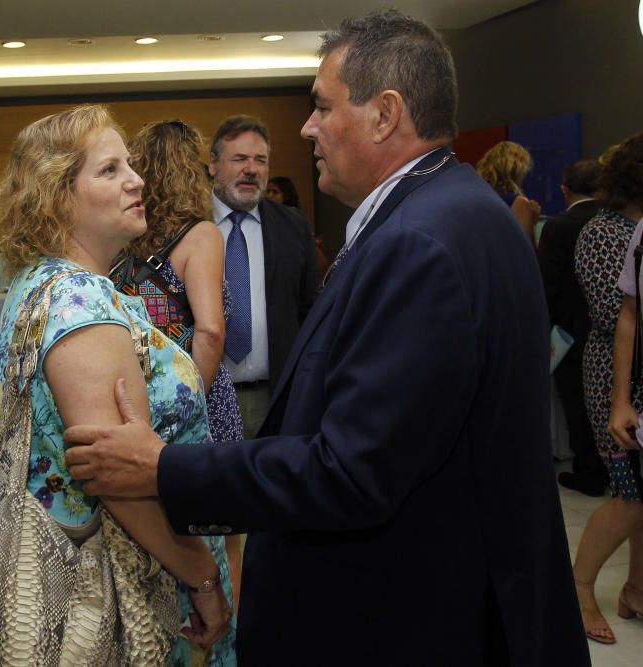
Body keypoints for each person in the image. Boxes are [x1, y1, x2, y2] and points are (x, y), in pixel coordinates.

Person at [65, 10, 587, 665]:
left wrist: (163, 466)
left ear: (384, 113)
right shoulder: (451, 213)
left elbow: (351, 470)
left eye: (321, 106)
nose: (307, 127)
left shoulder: (421, 242)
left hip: (408, 621)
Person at [0, 105, 235, 664]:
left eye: (131, 164)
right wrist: (202, 578)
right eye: (109, 170)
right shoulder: (82, 305)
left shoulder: (41, 282)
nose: (137, 179)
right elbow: (119, 479)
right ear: (57, 195)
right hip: (119, 584)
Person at [122, 118, 245, 609]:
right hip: (200, 401)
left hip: (141, 401)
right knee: (223, 537)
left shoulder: (126, 241)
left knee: (159, 540)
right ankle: (224, 642)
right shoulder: (201, 236)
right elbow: (211, 331)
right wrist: (193, 407)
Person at [572, 133, 643, 644]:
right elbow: (614, 313)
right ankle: (578, 588)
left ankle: (636, 590)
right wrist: (622, 397)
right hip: (617, 375)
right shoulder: (603, 232)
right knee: (630, 494)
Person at [208, 115, 318, 438]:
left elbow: (309, 313)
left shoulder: (294, 227)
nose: (251, 169)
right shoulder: (187, 226)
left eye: (260, 160)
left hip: (278, 400)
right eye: (239, 159)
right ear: (213, 164)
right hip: (207, 400)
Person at [538, 160, 606, 496]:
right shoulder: (615, 221)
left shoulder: (558, 227)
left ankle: (589, 472)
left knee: (578, 407)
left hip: (570, 333)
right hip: (611, 330)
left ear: (565, 189)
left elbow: (546, 284)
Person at [476, 140, 542, 244]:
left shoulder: (477, 197)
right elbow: (524, 251)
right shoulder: (518, 202)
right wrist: (532, 221)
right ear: (518, 169)